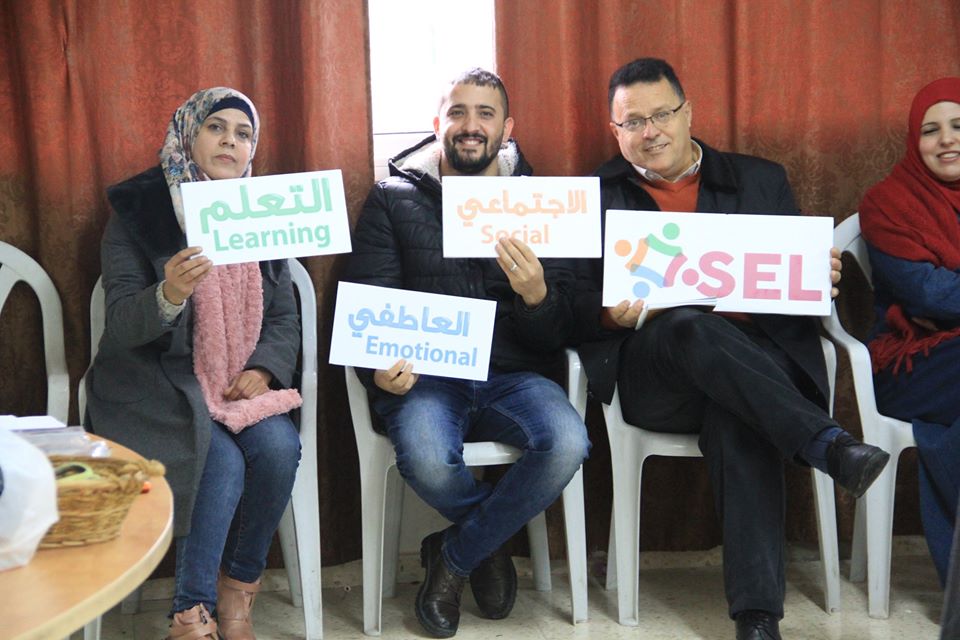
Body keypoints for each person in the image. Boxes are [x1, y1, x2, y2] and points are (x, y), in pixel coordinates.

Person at [574, 58, 890, 640]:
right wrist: (608, 312)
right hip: (657, 372)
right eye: (634, 122)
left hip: (758, 368)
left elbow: (795, 288)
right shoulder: (594, 196)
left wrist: (816, 275)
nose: (651, 132)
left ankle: (757, 619)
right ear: (615, 131)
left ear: (688, 112)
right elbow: (569, 300)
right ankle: (827, 444)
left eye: (662, 114)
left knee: (738, 413)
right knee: (688, 325)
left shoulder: (760, 181)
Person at [346, 68, 590, 639]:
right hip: (429, 378)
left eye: (485, 113)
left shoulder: (545, 203)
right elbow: (367, 304)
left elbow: (561, 332)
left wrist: (537, 297)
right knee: (429, 459)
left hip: (515, 376)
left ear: (508, 128)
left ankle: (455, 554)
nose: (471, 125)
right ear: (438, 123)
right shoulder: (392, 198)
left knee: (568, 442)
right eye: (458, 112)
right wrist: (376, 369)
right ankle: (489, 545)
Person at [85, 87, 303, 640]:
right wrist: (170, 294)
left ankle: (238, 592)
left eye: (243, 134)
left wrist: (265, 369)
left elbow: (283, 314)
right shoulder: (140, 210)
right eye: (216, 127)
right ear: (188, 133)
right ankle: (191, 611)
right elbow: (123, 323)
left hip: (236, 384)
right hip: (155, 385)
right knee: (218, 460)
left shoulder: (263, 212)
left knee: (279, 449)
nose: (230, 141)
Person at [859, 77, 960, 587]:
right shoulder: (888, 203)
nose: (947, 140)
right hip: (910, 364)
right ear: (913, 140)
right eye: (930, 130)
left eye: (958, 125)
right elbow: (929, 295)